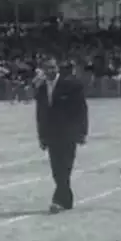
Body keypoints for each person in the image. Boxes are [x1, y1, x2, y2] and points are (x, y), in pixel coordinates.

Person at [35, 58, 88, 214]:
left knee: (65, 166)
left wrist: (82, 131)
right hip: (51, 134)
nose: (50, 71)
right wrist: (41, 136)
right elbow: (40, 114)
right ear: (43, 70)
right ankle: (67, 199)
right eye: (47, 68)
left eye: (53, 67)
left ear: (57, 68)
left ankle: (57, 200)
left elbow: (82, 109)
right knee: (56, 169)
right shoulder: (42, 88)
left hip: (69, 132)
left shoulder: (71, 85)